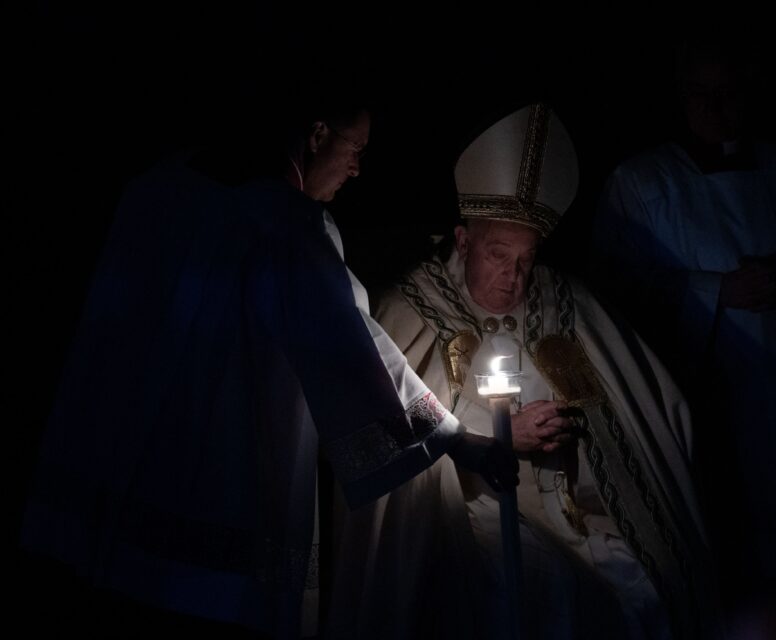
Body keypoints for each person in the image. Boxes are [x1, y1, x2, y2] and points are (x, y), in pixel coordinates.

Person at [20, 90, 516, 639]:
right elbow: (348, 347)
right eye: (355, 147)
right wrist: (454, 438)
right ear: (316, 132)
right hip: (213, 498)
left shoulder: (156, 188)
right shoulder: (285, 225)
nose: (356, 167)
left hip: (105, 488)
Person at [329, 104, 721, 640]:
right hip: (471, 512)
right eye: (497, 254)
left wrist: (577, 431)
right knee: (543, 595)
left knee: (644, 583)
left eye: (526, 258)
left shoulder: (565, 302)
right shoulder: (410, 312)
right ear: (463, 240)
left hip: (577, 510)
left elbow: (650, 415)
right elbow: (391, 436)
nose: (513, 278)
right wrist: (500, 435)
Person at [592, 39, 776, 601]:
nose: (717, 108)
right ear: (681, 97)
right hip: (696, 388)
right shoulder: (641, 182)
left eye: (730, 93)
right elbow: (616, 287)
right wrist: (716, 291)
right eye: (702, 94)